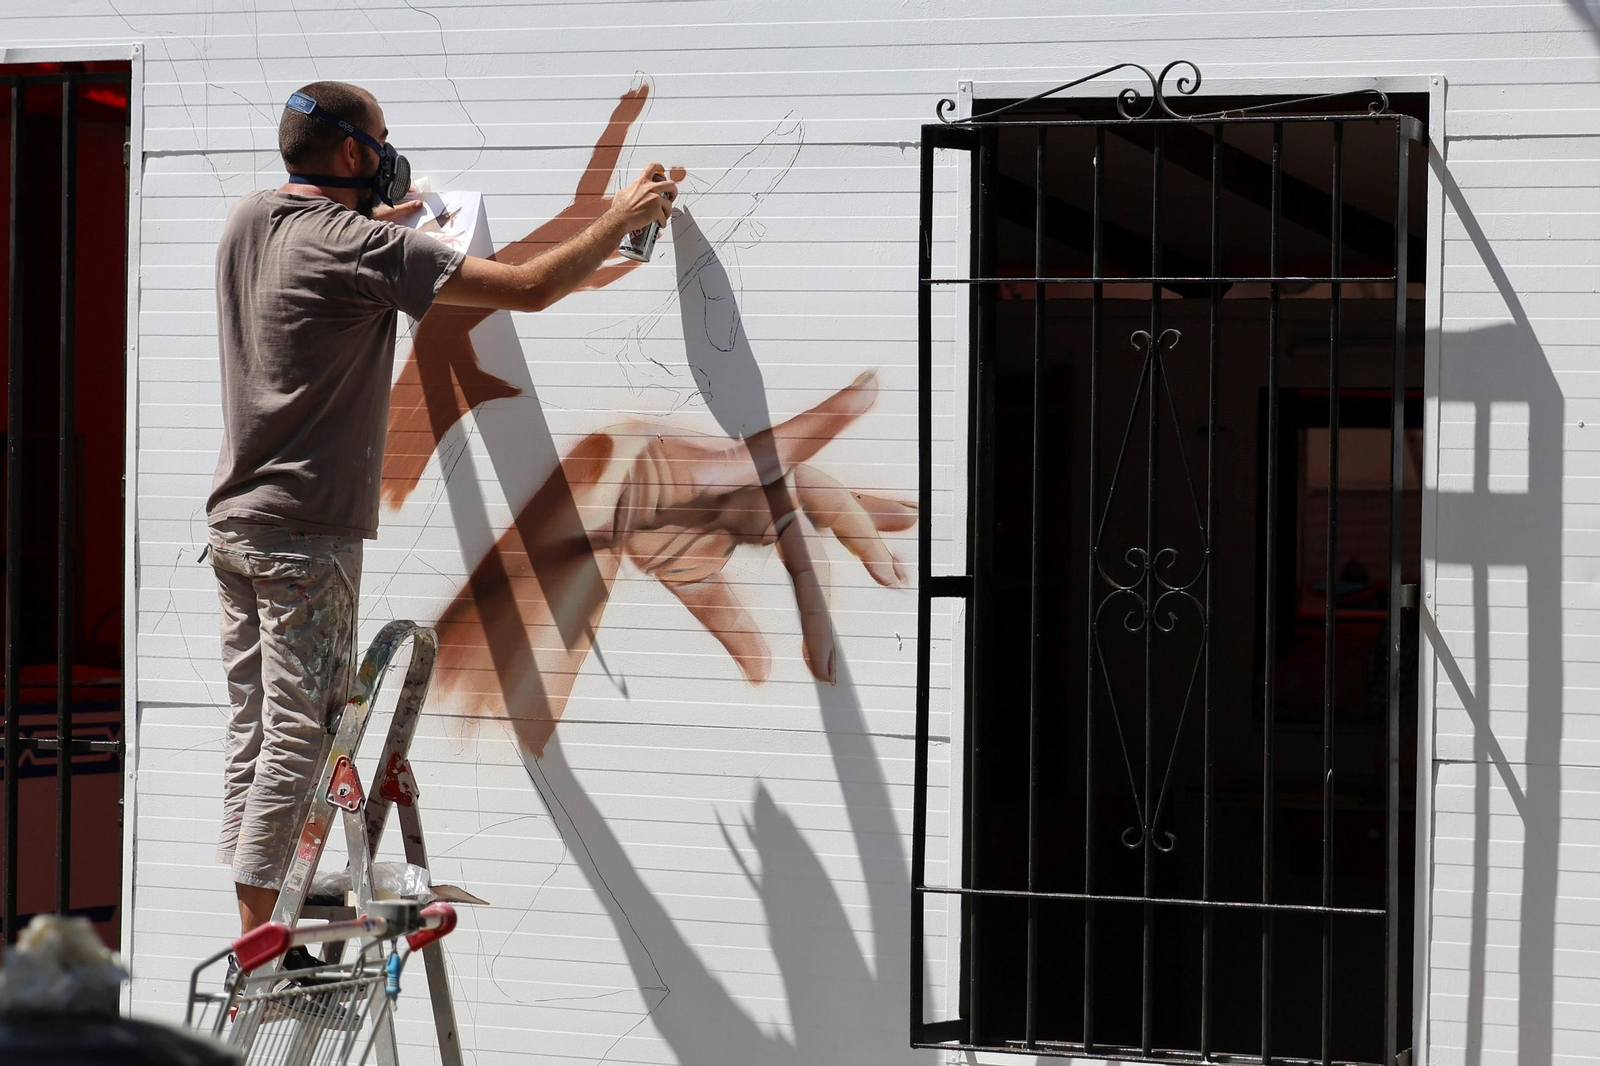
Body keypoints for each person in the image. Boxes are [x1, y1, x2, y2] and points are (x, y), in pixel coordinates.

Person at [207, 80, 676, 941]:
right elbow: (528, 288)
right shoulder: (362, 248)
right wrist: (620, 217)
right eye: (382, 140)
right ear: (354, 152)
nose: (392, 155)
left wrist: (391, 228)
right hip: (305, 537)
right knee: (303, 736)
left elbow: (322, 260)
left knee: (256, 729)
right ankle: (263, 938)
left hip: (237, 524)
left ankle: (253, 921)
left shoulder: (250, 220)